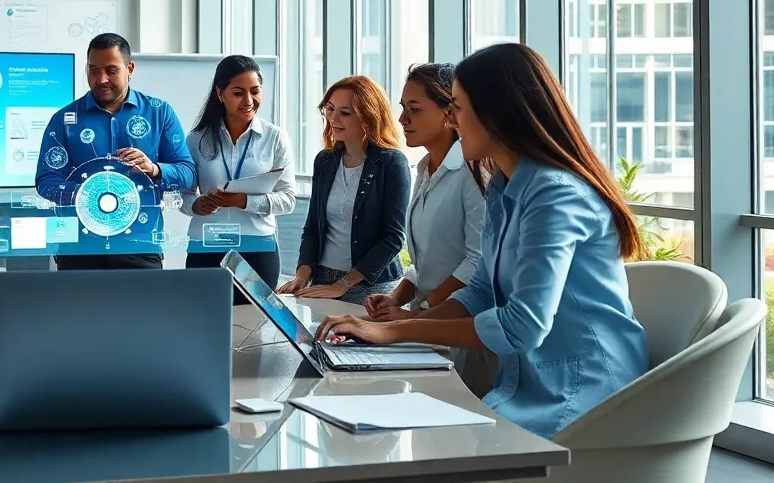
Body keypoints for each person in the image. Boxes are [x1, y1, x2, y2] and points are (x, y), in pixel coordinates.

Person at [316, 43, 649, 440]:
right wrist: (402, 321)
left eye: (456, 107)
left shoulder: (555, 195)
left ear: (498, 112)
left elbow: (521, 326)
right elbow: (480, 290)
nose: (453, 121)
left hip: (585, 395)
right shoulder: (505, 188)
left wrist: (395, 331)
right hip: (524, 385)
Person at [35, 33, 195, 270]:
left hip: (140, 246)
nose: (101, 79)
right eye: (93, 71)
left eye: (111, 71)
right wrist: (88, 195)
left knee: (142, 309)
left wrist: (154, 169)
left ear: (129, 68)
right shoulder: (64, 120)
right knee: (78, 309)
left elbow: (188, 173)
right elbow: (45, 181)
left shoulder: (159, 113)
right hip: (80, 248)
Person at [276, 76, 409, 304]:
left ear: (368, 116)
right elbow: (312, 228)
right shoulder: (325, 160)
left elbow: (393, 238)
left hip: (372, 287)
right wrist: (302, 275)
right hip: (322, 282)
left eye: (345, 113)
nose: (333, 118)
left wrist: (342, 285)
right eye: (330, 108)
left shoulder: (392, 163)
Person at [366, 63, 485, 318]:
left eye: (414, 109)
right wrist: (395, 298)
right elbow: (425, 262)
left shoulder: (472, 173)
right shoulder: (423, 169)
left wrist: (426, 307)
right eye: (403, 108)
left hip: (458, 320)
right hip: (425, 318)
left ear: (449, 113)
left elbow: (477, 263)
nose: (402, 119)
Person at [180, 55, 297, 297]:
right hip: (207, 246)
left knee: (253, 326)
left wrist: (244, 201)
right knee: (204, 318)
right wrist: (197, 205)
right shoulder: (197, 139)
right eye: (238, 93)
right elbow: (183, 195)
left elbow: (288, 199)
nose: (249, 100)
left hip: (258, 248)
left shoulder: (275, 138)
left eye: (255, 91)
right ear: (220, 94)